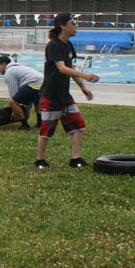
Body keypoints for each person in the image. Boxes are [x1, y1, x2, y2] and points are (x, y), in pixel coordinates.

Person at [35, 12, 100, 169]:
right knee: (47, 130)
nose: (75, 26)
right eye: (72, 23)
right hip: (51, 95)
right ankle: (39, 160)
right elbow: (62, 68)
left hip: (64, 95)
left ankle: (75, 158)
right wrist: (85, 75)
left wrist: (83, 87)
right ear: (62, 26)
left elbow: (70, 67)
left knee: (78, 126)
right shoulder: (53, 45)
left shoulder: (68, 45)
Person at [0, 55, 43, 130]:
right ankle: (40, 124)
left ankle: (25, 126)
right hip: (43, 82)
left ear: (4, 64)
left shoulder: (9, 72)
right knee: (36, 101)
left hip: (34, 83)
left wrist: (15, 109)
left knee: (12, 102)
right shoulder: (17, 67)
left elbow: (13, 94)